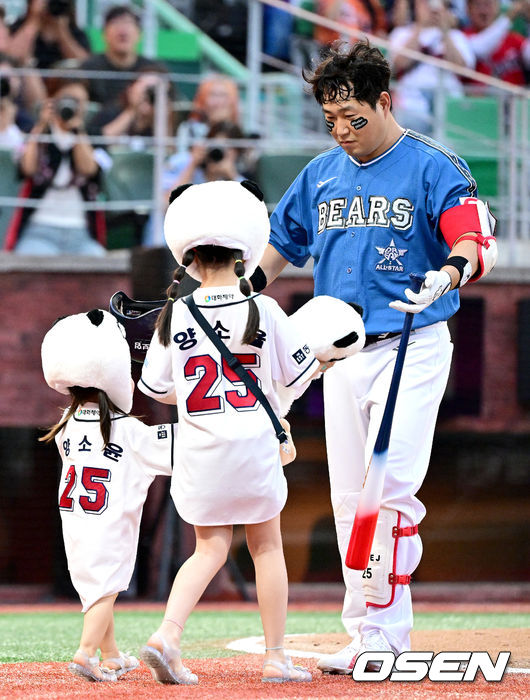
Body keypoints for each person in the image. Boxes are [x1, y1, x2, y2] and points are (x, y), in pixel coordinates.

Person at [249, 40, 497, 672]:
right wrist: (242, 297)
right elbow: (281, 245)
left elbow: (472, 236)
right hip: (337, 354)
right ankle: (363, 629)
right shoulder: (322, 172)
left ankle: (387, 635)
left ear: (384, 101)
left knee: (388, 491)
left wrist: (450, 273)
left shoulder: (434, 165)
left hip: (410, 344)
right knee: (346, 497)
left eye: (353, 117)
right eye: (331, 120)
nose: (342, 131)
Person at [138, 179, 319, 684]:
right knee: (267, 547)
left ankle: (168, 635)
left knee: (209, 548)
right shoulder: (264, 308)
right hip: (254, 448)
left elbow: (156, 387)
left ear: (189, 258)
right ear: (244, 253)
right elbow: (298, 376)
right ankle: (276, 658)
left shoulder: (177, 312)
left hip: (199, 449)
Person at [40, 308, 174, 682]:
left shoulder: (65, 424)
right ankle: (85, 654)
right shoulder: (128, 430)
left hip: (76, 521)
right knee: (105, 592)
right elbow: (170, 453)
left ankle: (112, 654)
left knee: (96, 590)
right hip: (110, 523)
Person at [4, 78, 108, 255]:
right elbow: (27, 169)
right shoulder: (38, 133)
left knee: (97, 260)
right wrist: (42, 124)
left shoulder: (93, 135)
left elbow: (89, 170)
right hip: (39, 230)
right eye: (67, 99)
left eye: (79, 101)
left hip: (80, 232)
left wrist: (77, 131)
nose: (72, 105)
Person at [388, 0, 475, 133]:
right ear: (416, 6)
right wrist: (420, 27)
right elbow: (399, 63)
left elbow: (462, 69)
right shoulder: (401, 33)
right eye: (425, 3)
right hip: (413, 102)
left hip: (448, 100)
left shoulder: (456, 36)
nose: (431, 8)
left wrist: (445, 32)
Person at [79, 5, 166, 107]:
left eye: (128, 23)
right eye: (115, 23)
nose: (122, 30)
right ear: (104, 33)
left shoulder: (153, 70)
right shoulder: (89, 69)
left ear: (140, 34)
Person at [463, 0, 530, 87]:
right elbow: (480, 47)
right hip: (477, 98)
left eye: (488, 4)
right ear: (468, 9)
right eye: (478, 5)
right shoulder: (462, 38)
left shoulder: (513, 39)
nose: (484, 11)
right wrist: (509, 16)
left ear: (497, 8)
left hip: (514, 98)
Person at [8, 0, 90, 69]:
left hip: (63, 83)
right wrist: (33, 22)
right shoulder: (18, 28)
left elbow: (85, 65)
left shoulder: (74, 32)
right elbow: (9, 57)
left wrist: (63, 33)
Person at [176, 74, 242, 151]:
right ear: (202, 98)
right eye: (213, 94)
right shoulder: (189, 129)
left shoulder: (239, 130)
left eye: (223, 95)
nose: (218, 102)